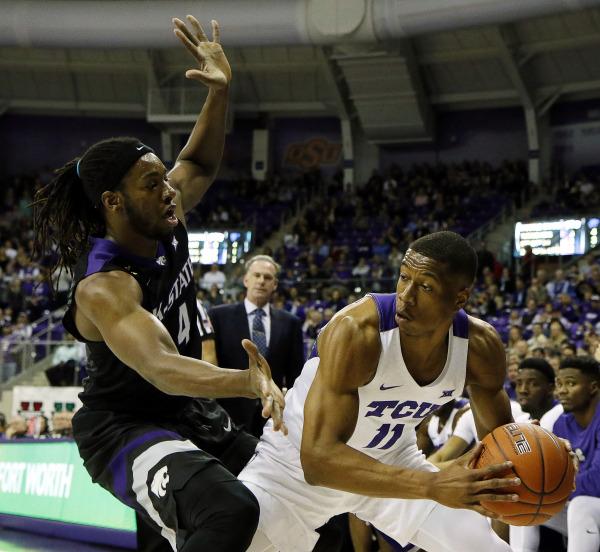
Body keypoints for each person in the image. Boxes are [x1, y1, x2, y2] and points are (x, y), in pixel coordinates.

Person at [32, 16, 285, 552]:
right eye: (153, 184)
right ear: (114, 203)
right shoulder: (104, 286)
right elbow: (164, 369)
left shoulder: (164, 213)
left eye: (163, 180)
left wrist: (219, 93)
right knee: (228, 510)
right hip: (125, 427)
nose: (169, 191)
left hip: (188, 415)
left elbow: (197, 160)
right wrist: (245, 382)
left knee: (303, 513)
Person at [240, 231, 521, 552]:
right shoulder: (356, 331)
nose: (406, 295)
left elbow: (503, 457)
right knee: (224, 537)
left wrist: (539, 458)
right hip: (291, 470)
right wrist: (432, 484)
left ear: (460, 298)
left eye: (425, 286)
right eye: (404, 278)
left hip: (391, 461)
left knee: (485, 548)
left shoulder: (479, 347)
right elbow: (317, 461)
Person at [510, 355, 600, 552]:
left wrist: (552, 488)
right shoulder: (561, 422)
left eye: (571, 383)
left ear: (593, 387)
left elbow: (597, 481)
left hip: (588, 504)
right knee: (524, 501)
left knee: (581, 505)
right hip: (581, 508)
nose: (562, 391)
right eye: (559, 384)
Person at [209, 254, 304, 436]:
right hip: (226, 414)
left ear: (275, 284)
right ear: (246, 280)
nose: (261, 281)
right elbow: (211, 366)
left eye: (267, 278)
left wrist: (292, 413)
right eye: (257, 275)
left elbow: (295, 375)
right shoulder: (218, 316)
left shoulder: (291, 323)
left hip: (272, 417)